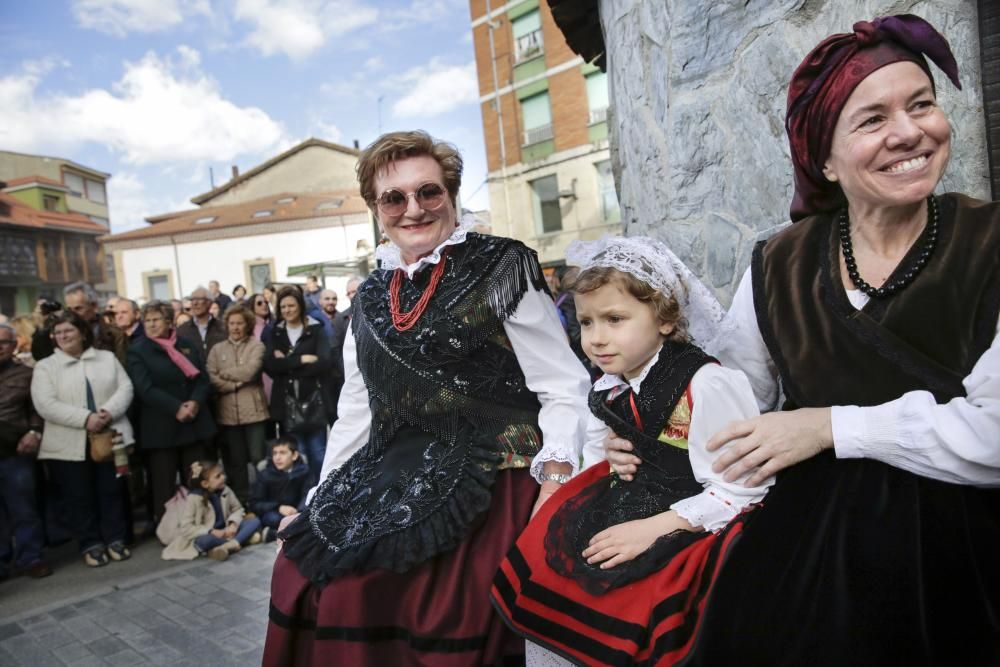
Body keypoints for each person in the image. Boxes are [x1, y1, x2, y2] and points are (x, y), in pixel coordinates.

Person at [607, 15, 1000, 665]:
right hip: (806, 552)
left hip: (964, 550)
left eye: (922, 104)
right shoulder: (779, 263)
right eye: (873, 119)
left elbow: (992, 436)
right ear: (824, 157)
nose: (909, 131)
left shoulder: (987, 245)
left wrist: (826, 428)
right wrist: (651, 429)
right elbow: (732, 401)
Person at [264, 130, 593, 665]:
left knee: (407, 600)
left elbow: (562, 386)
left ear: (452, 195)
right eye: (393, 198)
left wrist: (554, 482)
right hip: (391, 465)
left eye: (428, 192)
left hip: (490, 469)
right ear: (376, 208)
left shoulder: (501, 266)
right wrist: (317, 502)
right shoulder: (370, 294)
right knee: (303, 574)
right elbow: (356, 410)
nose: (412, 209)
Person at [492, 237, 771, 665]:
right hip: (629, 497)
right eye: (586, 323)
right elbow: (600, 443)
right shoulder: (611, 383)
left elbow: (743, 488)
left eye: (615, 319)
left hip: (691, 517)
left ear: (663, 317)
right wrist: (611, 451)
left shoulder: (706, 385)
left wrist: (654, 528)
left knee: (643, 610)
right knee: (553, 569)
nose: (597, 339)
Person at [31, 311, 134, 567]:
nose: (63, 336)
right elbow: (45, 404)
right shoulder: (46, 367)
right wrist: (85, 419)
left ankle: (115, 539)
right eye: (58, 333)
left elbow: (126, 387)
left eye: (68, 331)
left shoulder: (106, 358)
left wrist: (108, 411)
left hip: (109, 435)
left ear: (82, 333)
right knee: (79, 496)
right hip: (68, 442)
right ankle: (91, 543)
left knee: (110, 490)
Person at [127, 301, 216, 523]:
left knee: (195, 476)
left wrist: (194, 402)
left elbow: (201, 378)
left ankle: (201, 522)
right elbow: (144, 388)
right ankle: (169, 526)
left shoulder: (185, 344)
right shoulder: (138, 350)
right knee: (163, 481)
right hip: (161, 426)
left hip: (192, 423)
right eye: (147, 320)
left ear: (169, 321)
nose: (151, 324)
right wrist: (176, 407)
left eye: (156, 319)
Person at [263, 286, 334, 485]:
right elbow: (270, 365)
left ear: (300, 306)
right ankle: (304, 502)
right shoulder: (275, 333)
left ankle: (322, 495)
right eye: (283, 306)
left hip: (314, 402)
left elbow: (324, 363)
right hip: (287, 405)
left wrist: (286, 362)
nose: (287, 310)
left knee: (319, 455)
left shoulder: (315, 329)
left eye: (291, 305)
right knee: (298, 455)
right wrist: (301, 359)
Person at [0, 323, 50, 579]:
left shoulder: (26, 374)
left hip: (15, 451)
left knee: (24, 508)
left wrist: (34, 432)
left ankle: (31, 557)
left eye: (4, 343)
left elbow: (39, 408)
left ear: (14, 345)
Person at [206, 304, 268, 505]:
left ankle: (263, 497)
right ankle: (241, 501)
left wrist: (225, 373)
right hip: (228, 415)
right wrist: (235, 384)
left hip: (254, 412)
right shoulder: (217, 349)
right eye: (232, 323)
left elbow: (250, 371)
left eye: (239, 323)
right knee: (236, 462)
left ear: (247, 324)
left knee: (259, 458)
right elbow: (210, 376)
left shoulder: (256, 346)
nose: (235, 327)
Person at [161, 460, 261, 561]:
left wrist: (233, 524)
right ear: (205, 483)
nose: (223, 477)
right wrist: (210, 531)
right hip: (209, 535)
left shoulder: (225, 490)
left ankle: (228, 546)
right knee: (205, 542)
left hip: (227, 531)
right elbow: (186, 528)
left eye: (222, 474)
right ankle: (241, 541)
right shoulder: (194, 498)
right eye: (218, 476)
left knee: (254, 521)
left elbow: (238, 509)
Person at [33, 283, 126, 363]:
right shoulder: (60, 332)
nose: (73, 313)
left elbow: (120, 365)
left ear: (94, 306)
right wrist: (43, 328)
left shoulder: (113, 334)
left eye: (78, 308)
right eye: (69, 309)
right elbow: (41, 356)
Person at [249, 436, 310, 542]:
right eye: (275, 453)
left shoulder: (304, 471)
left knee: (309, 516)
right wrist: (279, 507)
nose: (277, 457)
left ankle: (274, 534)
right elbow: (255, 503)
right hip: (275, 513)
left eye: (282, 453)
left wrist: (298, 511)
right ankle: (295, 533)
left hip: (297, 511)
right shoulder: (265, 474)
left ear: (295, 455)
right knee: (274, 519)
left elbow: (307, 494)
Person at [177, 287, 226, 357]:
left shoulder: (223, 328)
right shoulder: (182, 331)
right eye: (192, 300)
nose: (195, 303)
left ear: (209, 302)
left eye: (199, 299)